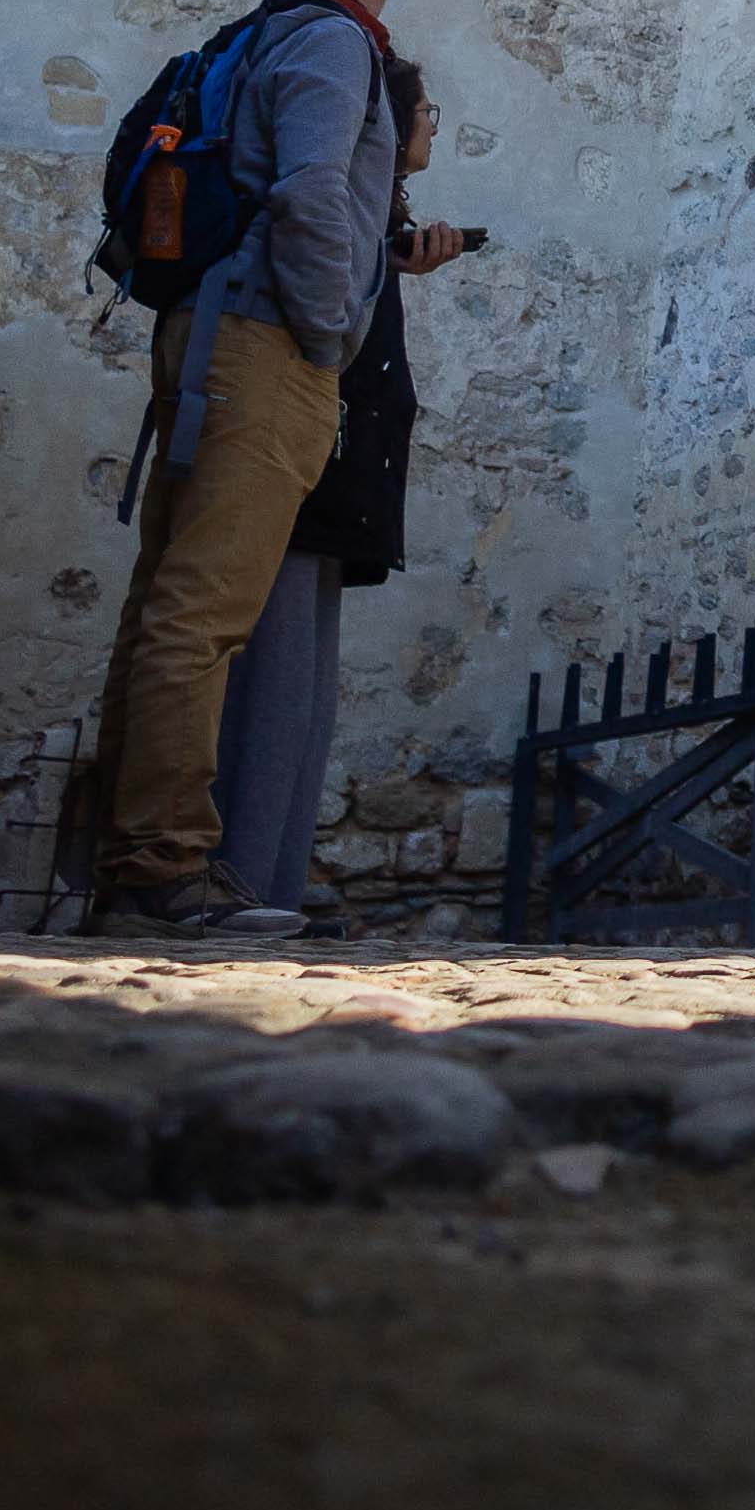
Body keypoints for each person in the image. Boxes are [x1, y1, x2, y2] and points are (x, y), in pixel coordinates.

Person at [86, 0, 415, 937]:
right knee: (204, 612)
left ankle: (135, 866)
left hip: (215, 330)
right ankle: (169, 869)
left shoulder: (278, 33)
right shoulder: (331, 39)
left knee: (166, 608)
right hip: (267, 344)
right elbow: (313, 192)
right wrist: (325, 335)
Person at [208, 55, 462, 918]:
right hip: (315, 446)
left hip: (342, 458)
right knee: (274, 674)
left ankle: (265, 884)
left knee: (302, 677)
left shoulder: (373, 222)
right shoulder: (342, 202)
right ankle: (239, 882)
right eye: (424, 110)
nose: (431, 124)